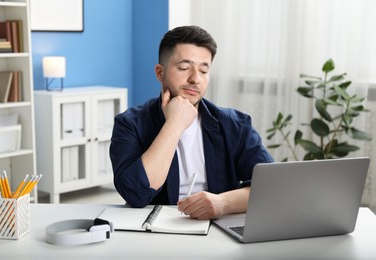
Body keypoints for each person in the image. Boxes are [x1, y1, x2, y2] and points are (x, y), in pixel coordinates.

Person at [110, 25, 273, 220]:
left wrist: (222, 204)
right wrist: (174, 125)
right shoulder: (129, 124)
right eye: (184, 68)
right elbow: (135, 194)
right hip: (156, 234)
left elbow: (271, 188)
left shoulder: (236, 125)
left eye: (204, 71)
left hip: (219, 228)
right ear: (160, 73)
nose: (195, 79)